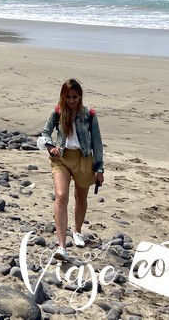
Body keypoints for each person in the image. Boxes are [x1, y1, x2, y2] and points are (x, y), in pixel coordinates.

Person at [38, 78, 104, 261]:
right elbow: (45, 132)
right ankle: (61, 246)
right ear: (63, 97)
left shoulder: (89, 114)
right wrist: (50, 146)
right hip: (61, 159)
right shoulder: (58, 112)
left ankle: (77, 231)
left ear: (80, 96)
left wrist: (100, 169)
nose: (71, 101)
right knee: (61, 196)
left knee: (80, 197)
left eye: (75, 97)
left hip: (84, 159)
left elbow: (97, 143)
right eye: (68, 97)